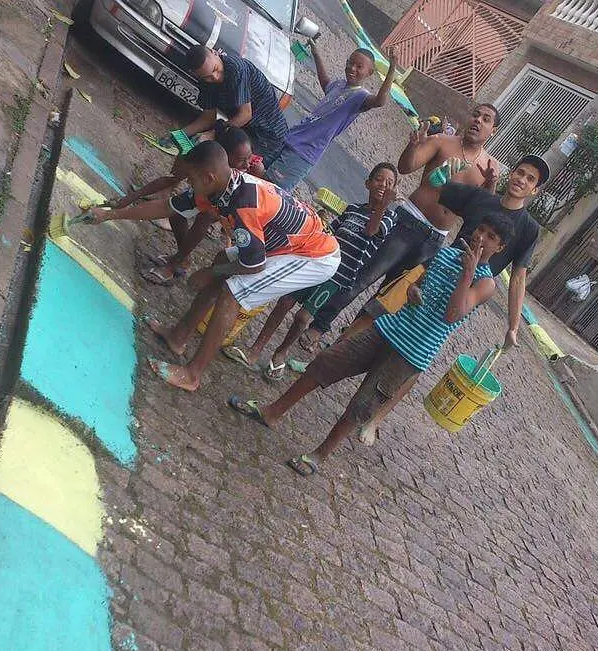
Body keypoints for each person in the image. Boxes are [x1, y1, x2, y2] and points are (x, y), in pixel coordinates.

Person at [228, 213, 515, 476]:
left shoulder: (485, 283)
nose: (481, 238)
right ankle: (273, 412)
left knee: (363, 404)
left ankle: (319, 455)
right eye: (480, 229)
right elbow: (420, 284)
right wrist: (414, 291)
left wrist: (468, 272)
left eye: (491, 237)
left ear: (499, 248)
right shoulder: (447, 254)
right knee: (326, 362)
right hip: (388, 328)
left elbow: (453, 314)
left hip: (411, 353)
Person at [88, 141, 340, 392]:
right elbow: (166, 207)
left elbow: (252, 265)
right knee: (222, 260)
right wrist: (111, 214)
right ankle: (178, 337)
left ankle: (192, 374)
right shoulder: (217, 187)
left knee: (232, 292)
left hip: (313, 256)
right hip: (283, 242)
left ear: (208, 177)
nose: (188, 184)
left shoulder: (242, 204)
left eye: (191, 179)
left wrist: (210, 273)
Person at [348, 153, 549, 445]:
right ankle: (333, 357)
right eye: (520, 172)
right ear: (511, 173)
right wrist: (443, 174)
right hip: (434, 272)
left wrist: (514, 326)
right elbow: (438, 189)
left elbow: (518, 276)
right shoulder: (483, 199)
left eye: (530, 179)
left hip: (464, 294)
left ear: (535, 190)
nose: (522, 179)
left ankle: (376, 419)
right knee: (375, 311)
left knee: (417, 358)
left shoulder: (529, 229)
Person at [299, 105, 502, 352]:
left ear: (493, 130)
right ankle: (319, 326)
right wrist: (413, 145)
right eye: (475, 115)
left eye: (486, 119)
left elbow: (482, 212)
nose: (478, 121)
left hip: (435, 240)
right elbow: (406, 166)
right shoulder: (443, 142)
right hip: (409, 222)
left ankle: (345, 344)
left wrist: (490, 185)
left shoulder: (487, 168)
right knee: (364, 275)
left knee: (389, 296)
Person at [224, 162, 399, 379]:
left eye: (389, 183)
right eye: (379, 179)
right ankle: (255, 350)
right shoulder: (353, 209)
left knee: (303, 316)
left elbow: (371, 231)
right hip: (315, 261)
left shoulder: (389, 219)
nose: (383, 185)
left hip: (337, 277)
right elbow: (330, 231)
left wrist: (383, 207)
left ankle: (280, 354)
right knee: (284, 303)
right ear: (368, 183)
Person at [117, 127, 265, 285]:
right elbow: (171, 179)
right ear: (223, 158)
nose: (247, 163)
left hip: (235, 207)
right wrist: (131, 197)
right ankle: (182, 259)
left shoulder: (252, 168)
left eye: (249, 157)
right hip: (210, 189)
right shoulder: (203, 161)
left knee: (204, 218)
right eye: (242, 160)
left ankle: (174, 265)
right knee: (176, 212)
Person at [265, 45, 397, 191]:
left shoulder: (360, 96)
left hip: (302, 153)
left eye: (359, 67)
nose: (352, 68)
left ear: (369, 72)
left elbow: (380, 101)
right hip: (290, 138)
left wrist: (392, 68)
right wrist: (316, 54)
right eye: (350, 63)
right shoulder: (339, 85)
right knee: (255, 173)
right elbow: (326, 83)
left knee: (270, 190)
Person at [165, 45, 288, 164]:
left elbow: (245, 114)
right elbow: (208, 118)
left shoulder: (237, 70)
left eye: (215, 69)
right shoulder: (204, 82)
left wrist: (212, 134)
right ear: (197, 75)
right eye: (207, 77)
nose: (215, 77)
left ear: (215, 53)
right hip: (244, 128)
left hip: (268, 134)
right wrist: (180, 134)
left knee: (233, 165)